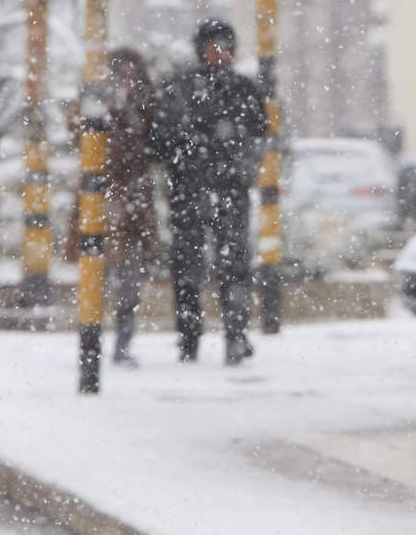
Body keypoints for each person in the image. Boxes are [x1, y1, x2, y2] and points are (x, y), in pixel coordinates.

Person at [149, 19, 268, 365]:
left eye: (227, 45)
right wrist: (188, 163)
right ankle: (189, 339)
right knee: (187, 269)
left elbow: (257, 138)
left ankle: (235, 334)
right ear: (201, 48)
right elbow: (160, 141)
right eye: (215, 45)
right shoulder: (179, 89)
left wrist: (239, 170)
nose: (222, 52)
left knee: (233, 266)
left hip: (228, 192)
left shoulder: (243, 90)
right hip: (189, 192)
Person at [66, 47, 160, 368]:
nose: (125, 82)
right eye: (120, 75)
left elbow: (153, 142)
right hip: (100, 197)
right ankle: (91, 338)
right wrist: (104, 111)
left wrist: (132, 112)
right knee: (96, 276)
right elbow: (77, 132)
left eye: (131, 76)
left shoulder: (146, 103)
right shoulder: (94, 103)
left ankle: (122, 341)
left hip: (133, 200)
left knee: (129, 280)